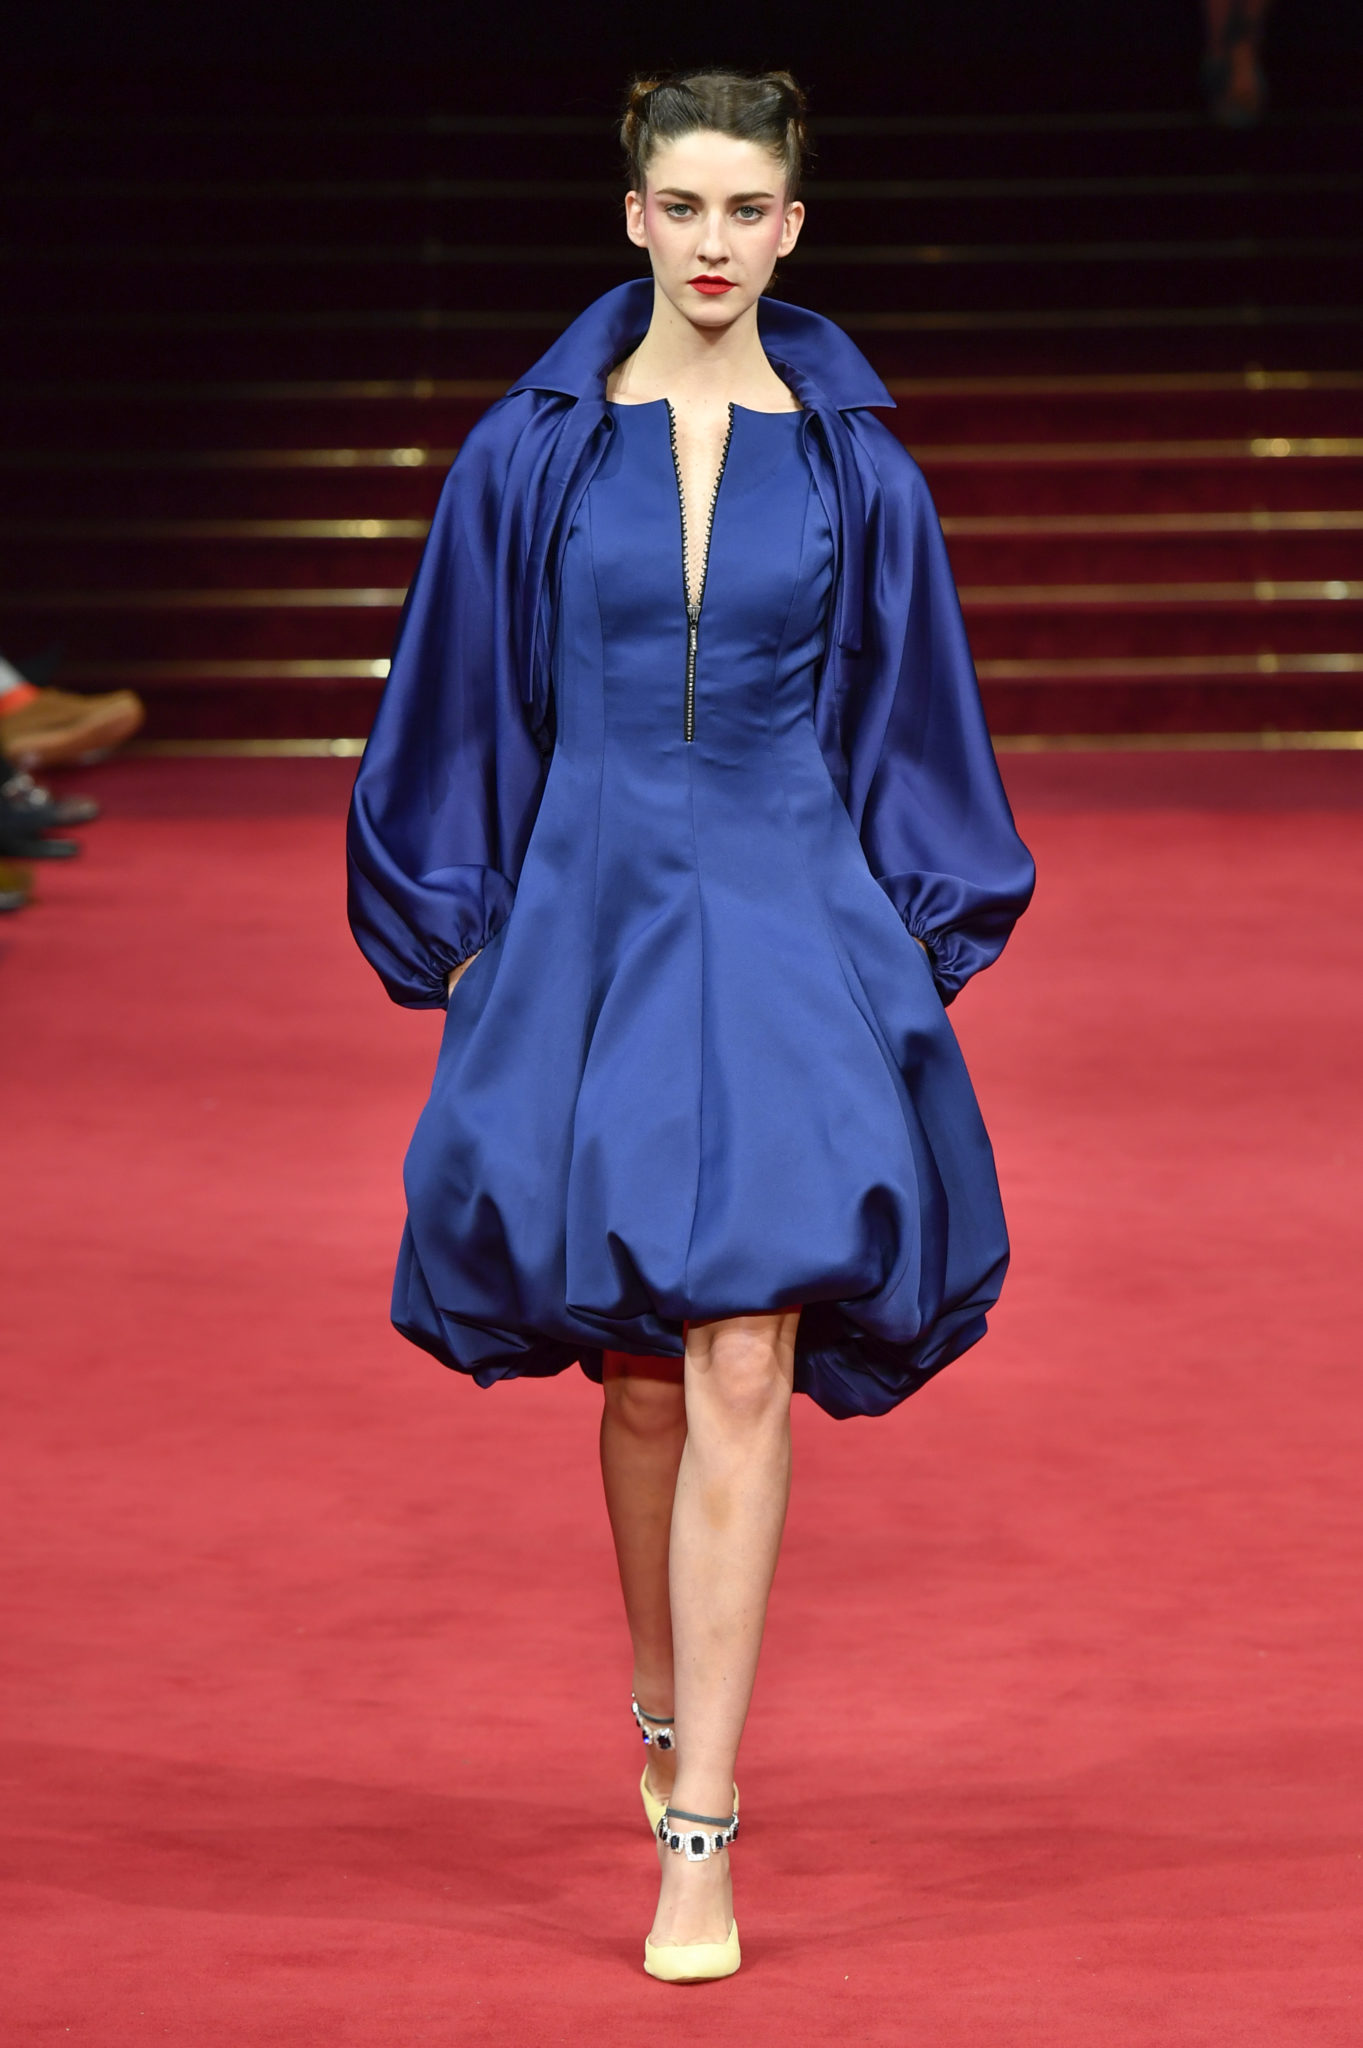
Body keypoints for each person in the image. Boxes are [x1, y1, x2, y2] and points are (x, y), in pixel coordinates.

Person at [347, 69, 1035, 1984]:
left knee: (745, 1353)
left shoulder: (861, 471)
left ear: (792, 228)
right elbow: (457, 696)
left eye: (749, 210)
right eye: (685, 207)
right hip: (594, 921)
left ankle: (703, 1834)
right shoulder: (531, 456)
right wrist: (463, 945)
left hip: (794, 923)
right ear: (633, 216)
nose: (715, 242)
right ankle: (659, 1694)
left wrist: (904, 954)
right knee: (644, 1373)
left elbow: (916, 715)